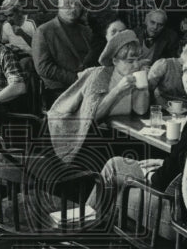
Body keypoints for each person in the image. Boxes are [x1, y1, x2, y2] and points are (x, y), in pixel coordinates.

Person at [88, 36, 187, 207]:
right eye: (185, 70)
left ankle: (88, 224)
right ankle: (89, 220)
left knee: (115, 190)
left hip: (182, 205)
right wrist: (165, 164)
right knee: (114, 166)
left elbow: (161, 182)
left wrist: (151, 174)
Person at [47, 29, 150, 165]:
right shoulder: (100, 76)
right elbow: (92, 118)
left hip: (118, 134)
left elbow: (140, 111)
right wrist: (117, 90)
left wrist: (143, 85)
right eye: (130, 61)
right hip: (89, 136)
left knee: (147, 154)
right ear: (115, 61)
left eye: (138, 60)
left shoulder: (134, 76)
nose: (136, 65)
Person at [32, 0, 95, 106]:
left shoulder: (87, 31)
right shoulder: (44, 31)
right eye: (68, 3)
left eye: (77, 4)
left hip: (88, 87)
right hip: (60, 91)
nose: (73, 7)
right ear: (59, 6)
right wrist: (75, 78)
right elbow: (43, 67)